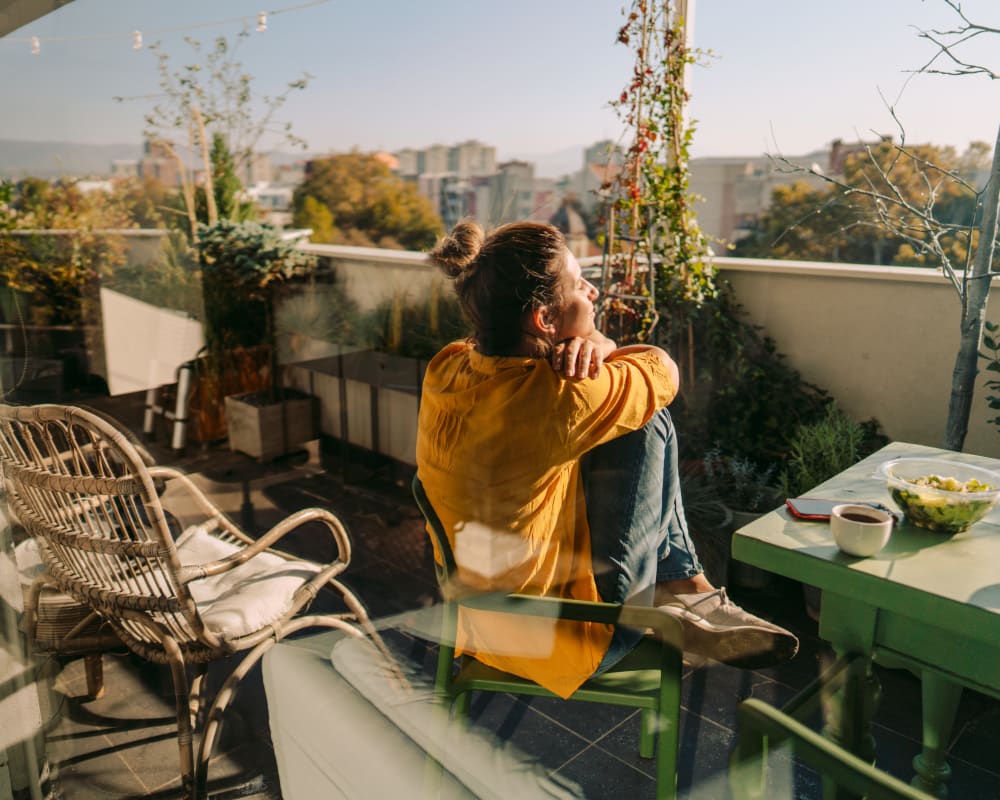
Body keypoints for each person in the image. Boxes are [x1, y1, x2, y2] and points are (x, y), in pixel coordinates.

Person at [415, 221, 798, 699]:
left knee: (617, 422)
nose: (593, 292)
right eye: (579, 284)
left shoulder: (447, 366)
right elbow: (664, 372)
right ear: (543, 321)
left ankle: (686, 591)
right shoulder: (562, 397)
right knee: (647, 421)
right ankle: (684, 591)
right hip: (562, 637)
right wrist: (600, 346)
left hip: (475, 623)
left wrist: (592, 345)